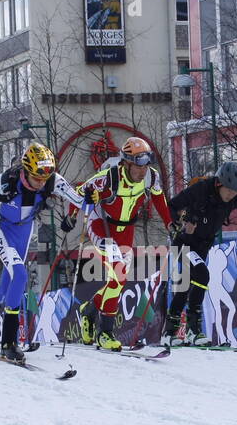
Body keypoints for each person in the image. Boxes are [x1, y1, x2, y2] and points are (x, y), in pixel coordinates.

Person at [0, 142, 84, 362]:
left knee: (7, 285)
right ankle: (9, 342)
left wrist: (73, 216)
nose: (41, 184)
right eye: (36, 178)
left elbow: (79, 199)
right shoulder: (5, 181)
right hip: (2, 227)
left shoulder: (52, 180)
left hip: (25, 229)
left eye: (45, 179)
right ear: (25, 171)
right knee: (20, 275)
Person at [71, 137, 173, 351]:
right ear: (126, 163)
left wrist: (170, 223)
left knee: (118, 281)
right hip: (102, 226)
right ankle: (105, 333)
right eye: (138, 165)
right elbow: (78, 194)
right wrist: (71, 218)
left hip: (126, 230)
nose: (142, 171)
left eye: (145, 165)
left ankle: (89, 310)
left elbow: (159, 199)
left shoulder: (150, 177)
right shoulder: (108, 178)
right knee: (117, 274)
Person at [163, 161, 237, 347]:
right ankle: (192, 330)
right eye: (229, 191)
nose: (231, 196)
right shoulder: (201, 189)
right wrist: (179, 224)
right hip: (184, 241)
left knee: (185, 286)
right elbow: (172, 206)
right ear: (219, 183)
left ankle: (171, 333)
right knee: (201, 275)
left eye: (235, 192)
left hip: (203, 245)